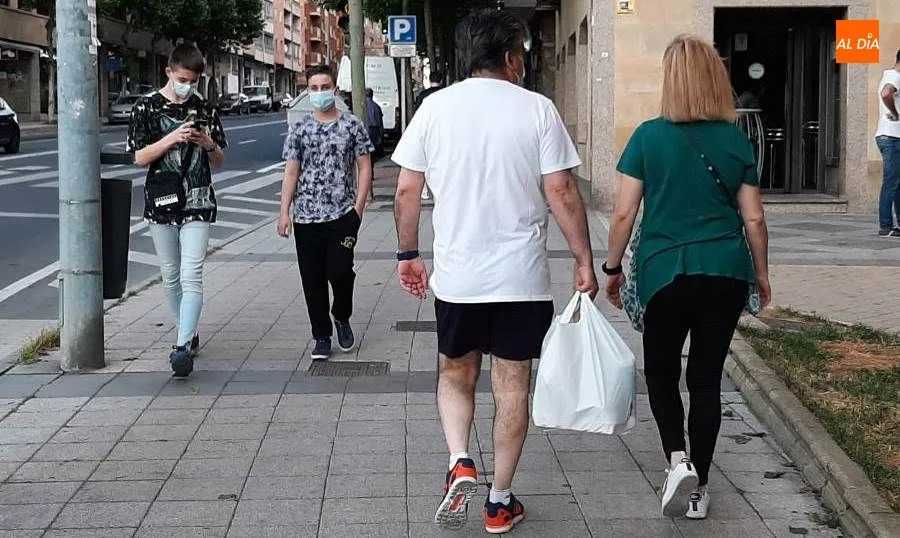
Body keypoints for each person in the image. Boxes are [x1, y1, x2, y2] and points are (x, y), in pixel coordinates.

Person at [392, 9, 597, 534]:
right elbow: (561, 191)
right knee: (512, 386)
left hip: (458, 278)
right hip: (521, 280)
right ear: (510, 57)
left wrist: (408, 254)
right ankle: (499, 501)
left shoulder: (434, 108)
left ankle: (460, 460)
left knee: (455, 375)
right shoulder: (537, 110)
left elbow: (407, 190)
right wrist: (583, 260)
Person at [604, 34, 771, 520]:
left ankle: (676, 460)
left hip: (663, 274)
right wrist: (760, 275)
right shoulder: (736, 140)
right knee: (705, 378)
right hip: (724, 272)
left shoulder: (647, 136)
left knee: (660, 371)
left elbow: (622, 215)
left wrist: (612, 270)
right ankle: (699, 486)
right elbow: (755, 220)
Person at [127, 43, 227, 378]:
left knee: (191, 273)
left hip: (198, 199)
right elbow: (139, 157)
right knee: (170, 274)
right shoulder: (145, 107)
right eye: (183, 78)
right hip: (162, 200)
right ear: (169, 71)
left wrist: (207, 143)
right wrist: (172, 138)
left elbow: (220, 158)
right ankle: (188, 327)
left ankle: (182, 345)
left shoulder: (204, 107)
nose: (188, 86)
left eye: (193, 81)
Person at [278, 65, 374, 361]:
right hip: (306, 217)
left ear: (335, 89)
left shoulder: (352, 125)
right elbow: (291, 172)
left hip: (342, 214)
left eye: (325, 87)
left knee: (341, 271)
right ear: (308, 91)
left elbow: (365, 166)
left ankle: (341, 315)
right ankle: (321, 336)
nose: (320, 93)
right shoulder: (300, 129)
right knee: (312, 278)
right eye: (314, 88)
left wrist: (358, 207)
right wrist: (284, 212)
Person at [876, 48, 900, 238]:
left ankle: (896, 224)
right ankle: (885, 225)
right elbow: (886, 94)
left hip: (890, 136)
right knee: (891, 182)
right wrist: (896, 113)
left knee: (896, 182)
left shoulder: (888, 74)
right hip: (891, 137)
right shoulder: (895, 76)